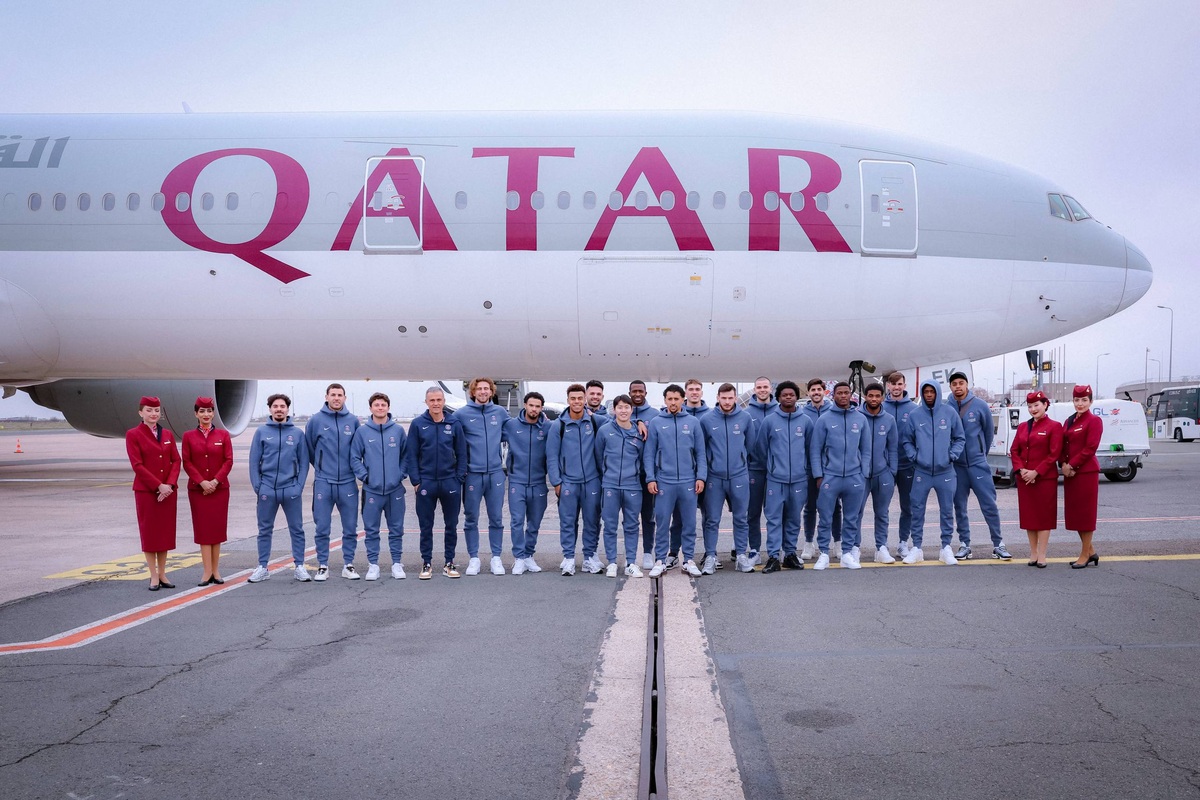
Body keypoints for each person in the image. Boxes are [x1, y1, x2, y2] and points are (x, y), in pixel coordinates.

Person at [947, 371, 1012, 560]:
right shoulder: (946, 407)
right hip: (957, 467)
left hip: (978, 464)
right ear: (950, 387)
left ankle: (998, 544)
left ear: (967, 385)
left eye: (961, 383)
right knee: (960, 506)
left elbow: (988, 432)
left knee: (989, 504)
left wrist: (980, 454)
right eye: (954, 384)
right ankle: (964, 544)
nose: (958, 387)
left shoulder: (980, 405)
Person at [751, 381, 813, 574]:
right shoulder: (770, 421)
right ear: (778, 397)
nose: (788, 397)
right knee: (774, 519)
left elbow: (811, 449)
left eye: (791, 395)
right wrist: (773, 467)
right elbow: (761, 449)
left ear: (796, 397)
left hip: (799, 480)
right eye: (784, 395)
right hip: (775, 480)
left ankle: (790, 554)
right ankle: (773, 556)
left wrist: (804, 470)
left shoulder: (806, 421)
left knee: (793, 519)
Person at [405, 386, 467, 579]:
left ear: (443, 401)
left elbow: (462, 453)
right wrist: (416, 480)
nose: (436, 403)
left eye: (439, 400)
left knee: (451, 525)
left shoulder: (454, 423)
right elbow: (411, 454)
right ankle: (426, 563)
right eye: (432, 400)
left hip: (450, 482)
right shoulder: (417, 424)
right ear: (426, 402)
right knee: (426, 526)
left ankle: (449, 562)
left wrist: (459, 478)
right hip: (426, 483)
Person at [900, 380, 965, 565]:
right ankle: (916, 548)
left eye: (932, 391)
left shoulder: (949, 412)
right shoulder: (915, 415)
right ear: (922, 393)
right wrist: (914, 456)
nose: (929, 394)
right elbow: (907, 440)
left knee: (947, 511)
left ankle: (946, 547)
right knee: (917, 510)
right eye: (926, 392)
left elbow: (960, 438)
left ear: (937, 392)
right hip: (922, 471)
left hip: (945, 472)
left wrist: (952, 455)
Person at [248, 394, 311, 583]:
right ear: (270, 409)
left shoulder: (297, 434)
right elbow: (254, 462)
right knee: (264, 529)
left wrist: (298, 486)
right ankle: (262, 567)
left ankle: (299, 566)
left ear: (287, 409)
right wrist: (259, 487)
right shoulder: (261, 432)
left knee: (297, 528)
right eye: (275, 406)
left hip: (290, 489)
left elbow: (304, 462)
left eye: (282, 406)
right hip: (267, 489)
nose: (279, 409)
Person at [644, 384, 707, 577]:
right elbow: (649, 453)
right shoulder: (656, 422)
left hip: (688, 481)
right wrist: (651, 478)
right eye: (669, 399)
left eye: (676, 399)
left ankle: (688, 560)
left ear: (682, 400)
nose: (673, 402)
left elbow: (701, 453)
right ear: (665, 400)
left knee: (689, 523)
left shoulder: (693, 422)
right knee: (662, 522)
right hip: (665, 481)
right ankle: (660, 560)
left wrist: (701, 477)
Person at [811, 382, 871, 570]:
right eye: (840, 393)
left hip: (854, 477)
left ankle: (846, 553)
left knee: (852, 518)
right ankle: (823, 553)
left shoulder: (860, 419)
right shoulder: (824, 420)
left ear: (851, 395)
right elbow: (815, 450)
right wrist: (819, 475)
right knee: (825, 517)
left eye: (846, 393)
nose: (843, 396)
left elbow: (866, 450)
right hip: (831, 476)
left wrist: (863, 473)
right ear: (833, 395)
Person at [350, 392, 408, 580]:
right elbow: (354, 458)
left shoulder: (398, 431)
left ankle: (397, 564)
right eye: (377, 405)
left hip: (395, 490)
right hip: (372, 491)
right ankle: (373, 565)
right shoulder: (362, 432)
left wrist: (400, 475)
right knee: (371, 530)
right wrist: (365, 477)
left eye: (383, 405)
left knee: (396, 529)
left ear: (388, 408)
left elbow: (406, 456)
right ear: (371, 408)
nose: (380, 408)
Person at [305, 383, 360, 581]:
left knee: (350, 527)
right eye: (333, 395)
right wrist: (322, 467)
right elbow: (310, 449)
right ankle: (322, 565)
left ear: (345, 398)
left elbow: (357, 450)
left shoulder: (353, 421)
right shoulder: (315, 421)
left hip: (347, 482)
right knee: (322, 527)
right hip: (324, 482)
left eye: (340, 395)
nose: (336, 398)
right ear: (326, 397)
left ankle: (349, 565)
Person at [547, 383, 603, 575]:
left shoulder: (595, 421)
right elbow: (552, 456)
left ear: (585, 399)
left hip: (592, 481)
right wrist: (556, 482)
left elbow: (620, 420)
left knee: (592, 521)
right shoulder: (559, 425)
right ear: (568, 400)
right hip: (568, 482)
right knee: (568, 522)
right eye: (573, 398)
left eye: (580, 398)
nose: (577, 401)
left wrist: (639, 422)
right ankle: (569, 558)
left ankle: (589, 558)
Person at [125, 396, 180, 591]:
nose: (153, 413)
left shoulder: (167, 434)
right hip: (147, 492)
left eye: (156, 410)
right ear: (141, 412)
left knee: (164, 534)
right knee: (150, 534)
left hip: (168, 492)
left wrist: (169, 484)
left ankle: (163, 573)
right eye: (149, 410)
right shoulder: (133, 434)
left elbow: (176, 460)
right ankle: (153, 575)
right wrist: (158, 486)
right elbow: (137, 465)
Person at [457, 377, 511, 575]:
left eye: (486, 388)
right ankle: (474, 558)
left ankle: (496, 557)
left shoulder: (500, 412)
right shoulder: (461, 414)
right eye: (479, 389)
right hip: (472, 474)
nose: (483, 392)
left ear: (491, 391)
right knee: (471, 518)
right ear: (473, 392)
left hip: (495, 473)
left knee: (496, 518)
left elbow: (515, 430)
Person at [701, 383, 756, 573]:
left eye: (730, 398)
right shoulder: (707, 419)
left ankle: (741, 555)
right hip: (714, 478)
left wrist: (739, 461)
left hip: (738, 476)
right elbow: (702, 448)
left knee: (741, 518)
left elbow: (749, 445)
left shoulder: (745, 418)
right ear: (718, 398)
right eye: (723, 398)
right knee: (712, 519)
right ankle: (710, 556)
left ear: (735, 398)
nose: (726, 401)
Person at [181, 396, 233, 586]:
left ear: (213, 413)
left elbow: (228, 460)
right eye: (202, 411)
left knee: (217, 530)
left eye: (209, 411)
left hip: (219, 489)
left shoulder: (223, 435)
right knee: (203, 530)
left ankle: (216, 570)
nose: (206, 414)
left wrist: (215, 481)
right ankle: (206, 571)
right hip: (198, 490)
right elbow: (187, 462)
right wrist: (202, 482)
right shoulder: (188, 436)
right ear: (196, 414)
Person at [1010, 390, 1063, 568]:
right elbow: (1014, 450)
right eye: (1030, 406)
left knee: (1044, 517)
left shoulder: (1054, 426)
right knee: (1030, 517)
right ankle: (1033, 552)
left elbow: (1054, 454)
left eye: (1036, 405)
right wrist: (1021, 470)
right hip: (1025, 478)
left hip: (1044, 479)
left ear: (1045, 405)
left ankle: (1042, 554)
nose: (1033, 409)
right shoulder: (1023, 427)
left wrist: (1036, 472)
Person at [595, 395, 645, 577]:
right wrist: (608, 475)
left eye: (627, 407)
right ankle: (612, 563)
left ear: (632, 410)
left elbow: (643, 459)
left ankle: (631, 563)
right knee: (610, 525)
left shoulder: (639, 432)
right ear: (614, 409)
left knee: (632, 526)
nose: (623, 410)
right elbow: (599, 456)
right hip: (610, 485)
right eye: (620, 407)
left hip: (633, 486)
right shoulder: (604, 431)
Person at [503, 391, 551, 575]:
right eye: (531, 405)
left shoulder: (547, 427)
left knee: (534, 523)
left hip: (539, 482)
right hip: (517, 481)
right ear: (525, 405)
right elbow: (490, 436)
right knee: (517, 521)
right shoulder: (511, 425)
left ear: (541, 408)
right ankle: (519, 558)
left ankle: (529, 555)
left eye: (538, 406)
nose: (534, 409)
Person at [1062, 385, 1103, 568]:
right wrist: (1063, 464)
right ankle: (1091, 552)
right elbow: (1063, 444)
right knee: (1076, 515)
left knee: (1085, 515)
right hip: (1070, 474)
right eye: (1077, 400)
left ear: (1091, 401)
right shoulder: (1069, 421)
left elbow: (1090, 448)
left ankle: (1085, 554)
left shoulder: (1094, 421)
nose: (1080, 404)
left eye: (1084, 400)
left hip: (1086, 473)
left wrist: (1072, 465)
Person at [857, 383, 899, 563]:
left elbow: (893, 448)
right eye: (870, 395)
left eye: (877, 396)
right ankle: (854, 547)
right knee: (856, 513)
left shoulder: (889, 420)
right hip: (860, 475)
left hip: (883, 474)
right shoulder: (857, 417)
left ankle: (881, 547)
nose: (874, 399)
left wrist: (892, 472)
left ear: (882, 397)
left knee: (882, 513)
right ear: (865, 396)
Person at [801, 378, 840, 558]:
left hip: (831, 469)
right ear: (808, 393)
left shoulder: (833, 411)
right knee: (810, 507)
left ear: (824, 391)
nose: (816, 392)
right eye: (813, 390)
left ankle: (837, 543)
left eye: (819, 389)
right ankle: (809, 543)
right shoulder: (803, 413)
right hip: (809, 468)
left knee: (835, 508)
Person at [882, 371, 919, 558]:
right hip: (885, 467)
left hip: (907, 466)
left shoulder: (914, 409)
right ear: (888, 386)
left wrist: (915, 457)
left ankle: (903, 543)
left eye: (899, 384)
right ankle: (882, 544)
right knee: (882, 508)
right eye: (893, 384)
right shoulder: (880, 407)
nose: (896, 388)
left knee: (908, 507)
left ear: (904, 385)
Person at [743, 376, 777, 564]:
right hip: (754, 470)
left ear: (771, 389)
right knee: (753, 513)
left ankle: (776, 550)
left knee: (775, 514)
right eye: (759, 387)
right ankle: (754, 550)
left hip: (776, 472)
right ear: (754, 390)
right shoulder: (747, 414)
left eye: (765, 387)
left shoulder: (780, 411)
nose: (762, 390)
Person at [628, 380, 659, 570]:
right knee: (630, 518)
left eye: (640, 391)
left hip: (648, 475)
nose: (637, 394)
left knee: (648, 516)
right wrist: (636, 421)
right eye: (634, 391)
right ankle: (629, 556)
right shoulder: (623, 412)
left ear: (646, 393)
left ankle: (648, 552)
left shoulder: (654, 415)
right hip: (628, 476)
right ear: (629, 393)